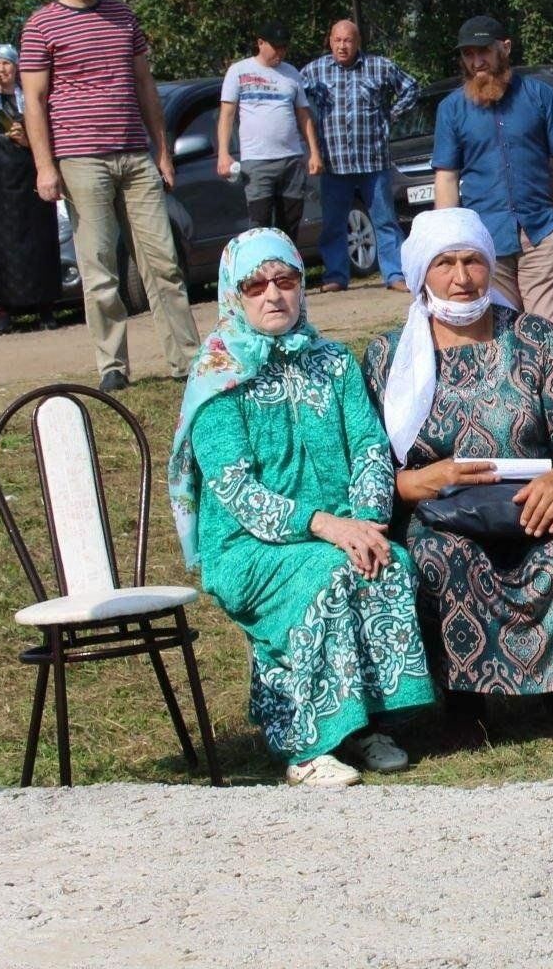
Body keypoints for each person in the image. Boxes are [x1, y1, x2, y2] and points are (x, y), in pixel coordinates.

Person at [168, 229, 434, 787]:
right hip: (249, 545)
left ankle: (365, 727)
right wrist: (326, 526)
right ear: (232, 295)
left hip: (342, 529)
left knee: (388, 566)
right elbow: (237, 490)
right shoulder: (219, 378)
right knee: (330, 576)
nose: (273, 295)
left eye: (285, 280)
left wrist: (365, 522)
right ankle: (306, 747)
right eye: (256, 285)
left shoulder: (333, 362)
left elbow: (368, 447)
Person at [363, 207, 553, 740]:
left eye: (473, 261)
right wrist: (413, 484)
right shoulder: (389, 358)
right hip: (441, 515)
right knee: (441, 556)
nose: (461, 278)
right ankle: (465, 704)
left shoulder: (535, 339)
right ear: (420, 274)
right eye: (445, 264)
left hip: (532, 505)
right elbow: (365, 467)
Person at [18, 0, 199, 392]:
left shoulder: (123, 17)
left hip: (136, 156)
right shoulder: (41, 26)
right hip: (82, 160)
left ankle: (188, 361)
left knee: (163, 263)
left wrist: (162, 151)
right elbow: (34, 102)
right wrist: (45, 166)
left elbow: (145, 87)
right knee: (100, 270)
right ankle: (112, 367)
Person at [432, 16, 553, 320]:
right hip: (484, 240)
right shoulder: (451, 109)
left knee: (547, 330)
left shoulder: (540, 96)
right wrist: (450, 238)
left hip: (541, 232)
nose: (476, 61)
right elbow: (446, 177)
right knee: (498, 331)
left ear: (505, 47)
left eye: (483, 51)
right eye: (468, 54)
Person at [300, 18, 417, 294]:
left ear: (358, 42)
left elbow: (411, 87)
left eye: (348, 40)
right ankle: (336, 276)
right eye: (337, 40)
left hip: (373, 160)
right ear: (330, 42)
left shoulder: (379, 66)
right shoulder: (313, 71)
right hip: (334, 162)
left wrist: (391, 116)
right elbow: (296, 102)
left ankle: (395, 274)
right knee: (333, 224)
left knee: (385, 220)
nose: (343, 46)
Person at [0, 44, 61, 332]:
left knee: (41, 243)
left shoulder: (29, 99)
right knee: (3, 248)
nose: (1, 70)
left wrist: (29, 141)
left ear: (17, 67)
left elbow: (50, 133)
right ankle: (4, 313)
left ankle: (46, 310)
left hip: (32, 179)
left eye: (6, 64)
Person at [218, 22, 322, 242]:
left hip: (291, 159)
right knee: (260, 223)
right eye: (275, 47)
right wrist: (223, 154)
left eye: (284, 47)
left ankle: (288, 271)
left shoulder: (291, 73)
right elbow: (227, 115)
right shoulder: (239, 71)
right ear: (260, 43)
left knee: (291, 221)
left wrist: (313, 152)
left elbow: (303, 115)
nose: (280, 52)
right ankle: (261, 272)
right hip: (257, 161)